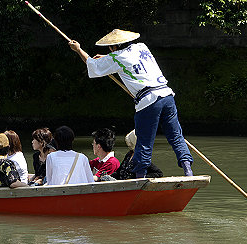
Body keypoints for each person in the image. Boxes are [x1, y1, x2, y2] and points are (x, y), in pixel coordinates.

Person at [69, 29, 194, 177]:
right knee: (176, 136)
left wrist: (78, 50)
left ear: (113, 47)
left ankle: (140, 176)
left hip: (148, 101)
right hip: (167, 96)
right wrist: (107, 58)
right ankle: (188, 170)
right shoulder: (141, 47)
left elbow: (93, 65)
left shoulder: (116, 57)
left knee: (144, 142)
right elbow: (125, 59)